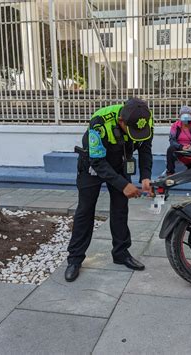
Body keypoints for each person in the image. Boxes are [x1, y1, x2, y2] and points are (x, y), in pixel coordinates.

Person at [65, 98, 153, 282]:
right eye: (132, 131)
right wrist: (124, 185)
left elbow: (145, 150)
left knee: (120, 209)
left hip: (121, 161)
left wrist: (145, 177)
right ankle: (75, 259)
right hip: (93, 164)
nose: (137, 134)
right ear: (121, 121)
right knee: (85, 210)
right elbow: (97, 162)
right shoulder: (99, 122)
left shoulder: (144, 120)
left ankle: (121, 253)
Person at [166, 105, 191, 175]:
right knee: (170, 149)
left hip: (190, 146)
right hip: (179, 146)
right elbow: (172, 139)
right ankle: (170, 171)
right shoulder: (175, 125)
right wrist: (181, 147)